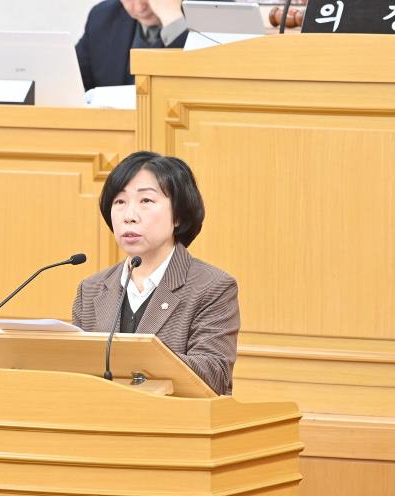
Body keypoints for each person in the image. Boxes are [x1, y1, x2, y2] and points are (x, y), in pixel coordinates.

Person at [72, 151, 239, 395]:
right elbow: (76, 373)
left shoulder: (213, 286)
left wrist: (138, 358)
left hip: (176, 416)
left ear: (178, 215)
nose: (129, 216)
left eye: (146, 201)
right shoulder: (91, 289)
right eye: (119, 202)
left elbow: (214, 374)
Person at [75, 0, 189, 91]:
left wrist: (173, 20)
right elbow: (73, 79)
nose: (140, 8)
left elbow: (192, 84)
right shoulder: (101, 17)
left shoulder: (199, 12)